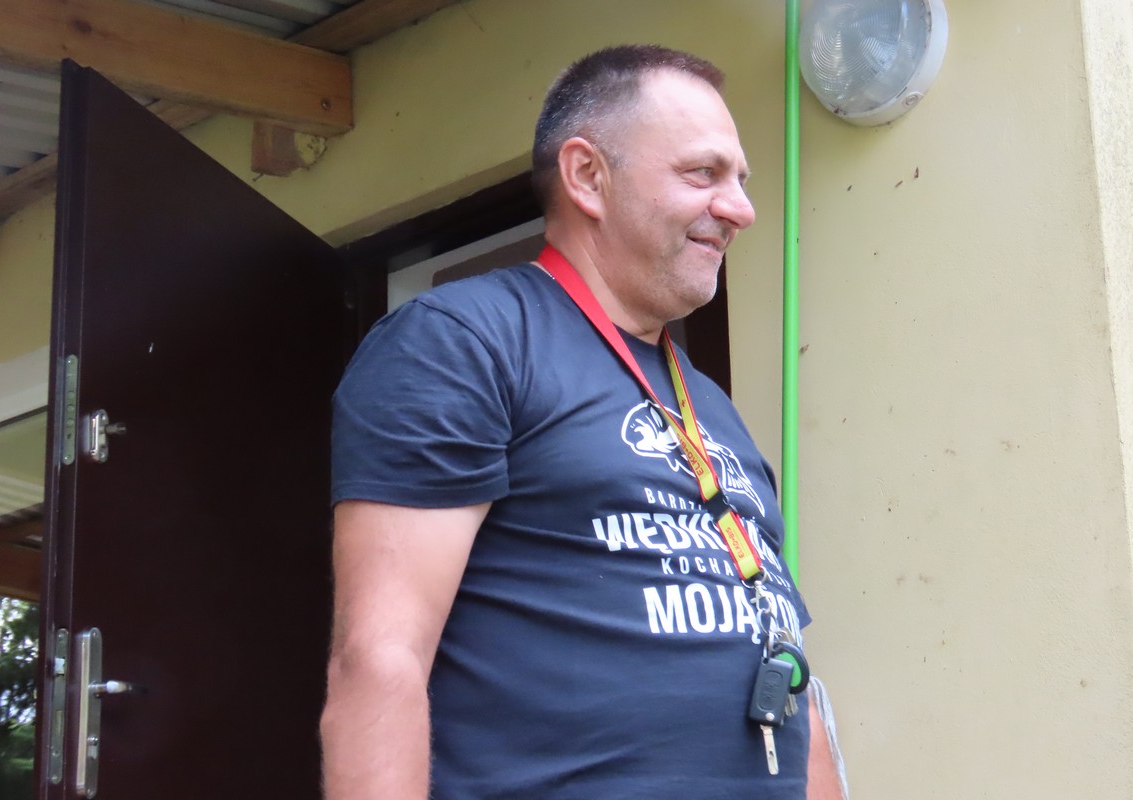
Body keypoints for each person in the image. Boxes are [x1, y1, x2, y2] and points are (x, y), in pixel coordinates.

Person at [323, 44, 843, 799]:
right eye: (703, 173)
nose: (740, 209)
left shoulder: (711, 407)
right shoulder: (462, 342)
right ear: (588, 176)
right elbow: (378, 658)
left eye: (741, 180)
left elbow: (788, 668)